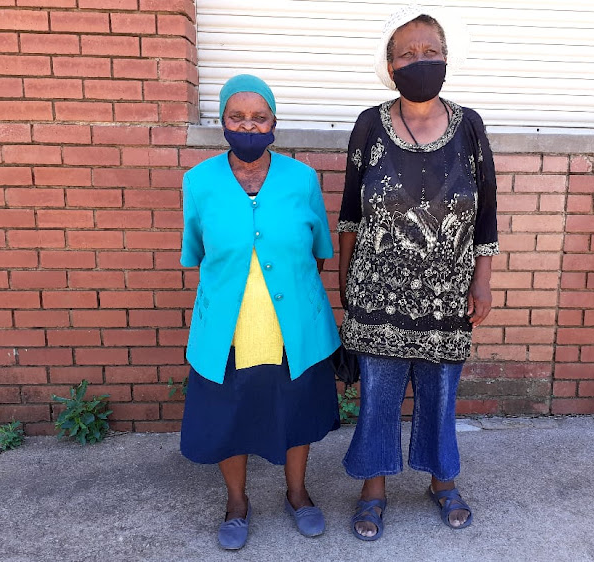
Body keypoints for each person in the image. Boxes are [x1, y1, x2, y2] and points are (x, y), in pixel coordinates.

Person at [337, 5, 499, 541]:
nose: (420, 60)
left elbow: (487, 211)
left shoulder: (470, 126)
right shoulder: (369, 125)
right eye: (407, 52)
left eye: (430, 50)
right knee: (379, 392)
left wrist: (482, 277)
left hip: (447, 292)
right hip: (377, 287)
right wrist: (345, 282)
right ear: (389, 64)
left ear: (447, 57)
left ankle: (441, 479)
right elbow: (350, 212)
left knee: (440, 393)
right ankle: (373, 488)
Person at [179, 74, 341, 550]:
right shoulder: (199, 181)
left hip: (293, 323)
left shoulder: (302, 178)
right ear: (222, 122)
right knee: (230, 415)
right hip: (227, 326)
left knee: (295, 411)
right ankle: (237, 502)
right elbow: (196, 253)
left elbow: (319, 251)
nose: (248, 126)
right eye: (237, 117)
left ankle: (297, 493)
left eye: (258, 117)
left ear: (274, 122)